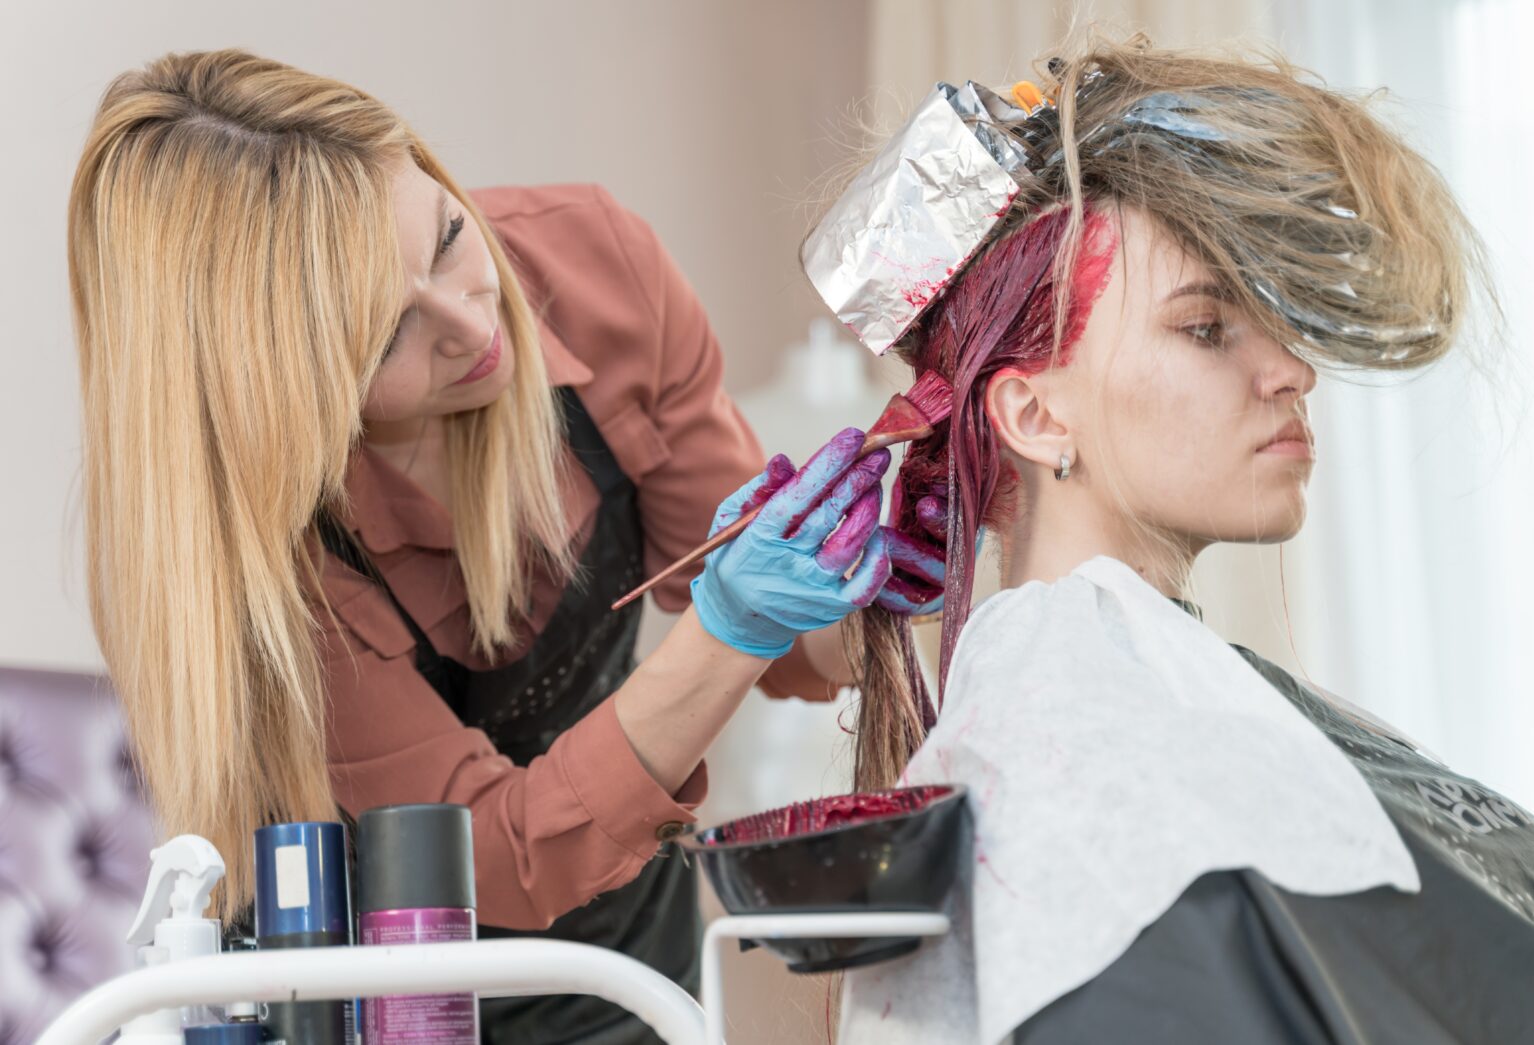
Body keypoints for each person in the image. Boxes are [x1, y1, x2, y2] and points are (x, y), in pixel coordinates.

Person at [66, 48, 932, 1042]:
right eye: (382, 337)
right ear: (294, 394)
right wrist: (725, 627)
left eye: (444, 236)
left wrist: (879, 568)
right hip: (388, 999)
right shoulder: (259, 559)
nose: (469, 317)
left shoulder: (596, 271)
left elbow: (796, 647)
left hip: (626, 966)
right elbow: (502, 857)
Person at [824, 34, 1534, 1044]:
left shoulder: (1139, 695)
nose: (1290, 371)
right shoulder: (1073, 724)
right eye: (1206, 329)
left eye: (1269, 320)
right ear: (1036, 418)